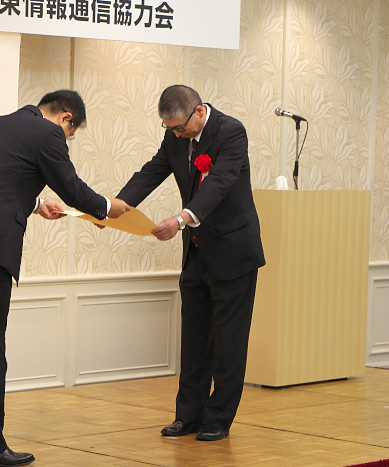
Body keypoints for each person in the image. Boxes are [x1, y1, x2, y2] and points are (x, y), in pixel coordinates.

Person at [0, 90, 130, 467]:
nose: (66, 139)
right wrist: (107, 207)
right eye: (71, 134)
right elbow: (71, 188)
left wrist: (36, 204)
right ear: (66, 118)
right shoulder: (49, 133)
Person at [116, 85, 265, 441]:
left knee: (228, 342)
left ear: (198, 111)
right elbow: (151, 173)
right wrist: (113, 207)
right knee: (194, 339)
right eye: (168, 129)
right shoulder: (175, 137)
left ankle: (218, 418)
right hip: (197, 253)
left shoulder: (231, 132)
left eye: (179, 128)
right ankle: (188, 415)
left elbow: (220, 184)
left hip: (233, 253)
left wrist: (180, 219)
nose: (176, 134)